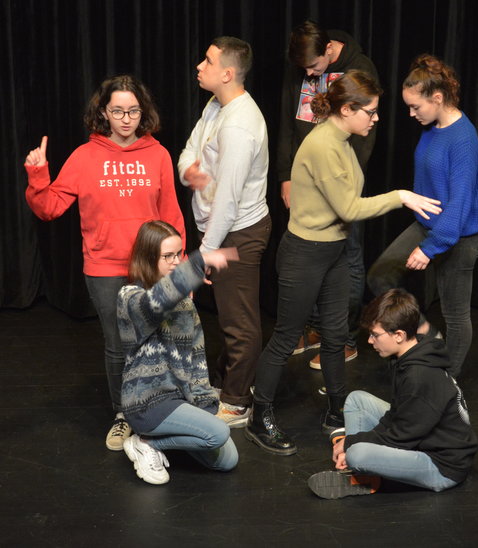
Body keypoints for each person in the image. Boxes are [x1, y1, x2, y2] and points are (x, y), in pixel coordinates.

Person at [245, 70, 442, 456]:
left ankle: (337, 412)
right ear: (347, 109)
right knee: (286, 337)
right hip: (305, 254)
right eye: (370, 111)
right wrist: (401, 195)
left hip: (333, 250)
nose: (376, 118)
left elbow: (345, 207)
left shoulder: (344, 139)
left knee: (336, 336)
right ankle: (258, 416)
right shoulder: (323, 145)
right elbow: (350, 206)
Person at [24, 75, 186, 451]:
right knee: (118, 345)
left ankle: (159, 410)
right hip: (104, 266)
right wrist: (37, 174)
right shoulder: (85, 157)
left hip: (150, 266)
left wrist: (178, 261)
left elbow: (171, 215)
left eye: (133, 111)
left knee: (154, 341)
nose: (126, 119)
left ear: (142, 112)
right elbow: (49, 208)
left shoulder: (157, 154)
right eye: (118, 111)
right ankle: (124, 415)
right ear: (104, 112)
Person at [367, 54, 478, 377]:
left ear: (438, 98)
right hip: (429, 225)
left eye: (416, 107)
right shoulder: (432, 127)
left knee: (456, 314)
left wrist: (430, 248)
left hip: (457, 237)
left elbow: (459, 205)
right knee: (380, 276)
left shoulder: (463, 140)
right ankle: (426, 339)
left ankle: (445, 383)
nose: (411, 113)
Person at [178, 36, 271, 428]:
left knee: (239, 322)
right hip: (220, 230)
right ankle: (226, 384)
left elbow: (230, 202)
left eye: (208, 61)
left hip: (237, 233)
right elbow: (190, 148)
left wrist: (206, 253)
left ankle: (237, 401)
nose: (200, 66)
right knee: (228, 316)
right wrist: (188, 171)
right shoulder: (216, 105)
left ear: (228, 73)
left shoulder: (240, 127)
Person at [308, 288, 478, 499]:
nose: (370, 341)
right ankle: (359, 470)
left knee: (357, 453)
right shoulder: (411, 353)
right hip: (421, 437)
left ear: (399, 335)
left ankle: (360, 469)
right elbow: (397, 415)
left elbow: (402, 436)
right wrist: (357, 439)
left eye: (375, 335)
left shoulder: (419, 375)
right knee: (356, 400)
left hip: (442, 466)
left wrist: (351, 442)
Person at [278, 20, 379, 370]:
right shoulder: (304, 65)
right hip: (306, 182)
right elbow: (289, 124)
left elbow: (364, 137)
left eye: (314, 66)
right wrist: (285, 175)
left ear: (330, 50)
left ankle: (345, 340)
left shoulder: (358, 69)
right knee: (315, 259)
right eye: (303, 69)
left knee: (346, 259)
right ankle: (321, 330)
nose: (308, 73)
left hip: (339, 184)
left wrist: (345, 186)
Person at [117, 221, 239, 485]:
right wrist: (196, 264)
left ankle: (164, 442)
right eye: (167, 256)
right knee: (217, 433)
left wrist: (206, 405)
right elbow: (154, 304)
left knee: (228, 459)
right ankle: (145, 442)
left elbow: (196, 360)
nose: (175, 262)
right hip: (148, 401)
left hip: (181, 400)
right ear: (149, 258)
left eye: (179, 254)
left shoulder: (185, 304)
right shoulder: (130, 297)